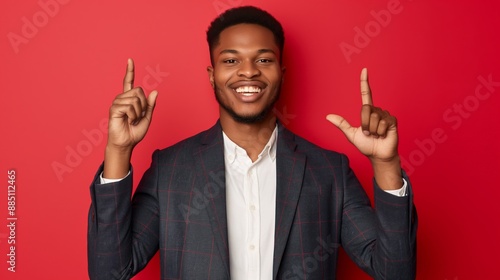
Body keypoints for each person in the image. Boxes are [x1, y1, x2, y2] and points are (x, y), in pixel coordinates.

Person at [87, 5, 417, 280]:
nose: (248, 72)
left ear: (281, 73)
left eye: (263, 59)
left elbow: (395, 272)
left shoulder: (329, 172)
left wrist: (386, 164)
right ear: (212, 74)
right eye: (231, 60)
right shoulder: (170, 170)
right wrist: (119, 150)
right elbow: (110, 271)